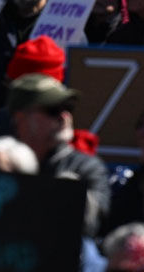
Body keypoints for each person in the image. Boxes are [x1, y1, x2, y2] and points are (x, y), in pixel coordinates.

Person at [7, 74, 110, 235]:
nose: (65, 116)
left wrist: (71, 194)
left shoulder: (85, 168)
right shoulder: (1, 162)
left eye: (68, 108)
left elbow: (93, 225)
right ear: (20, 117)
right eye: (53, 110)